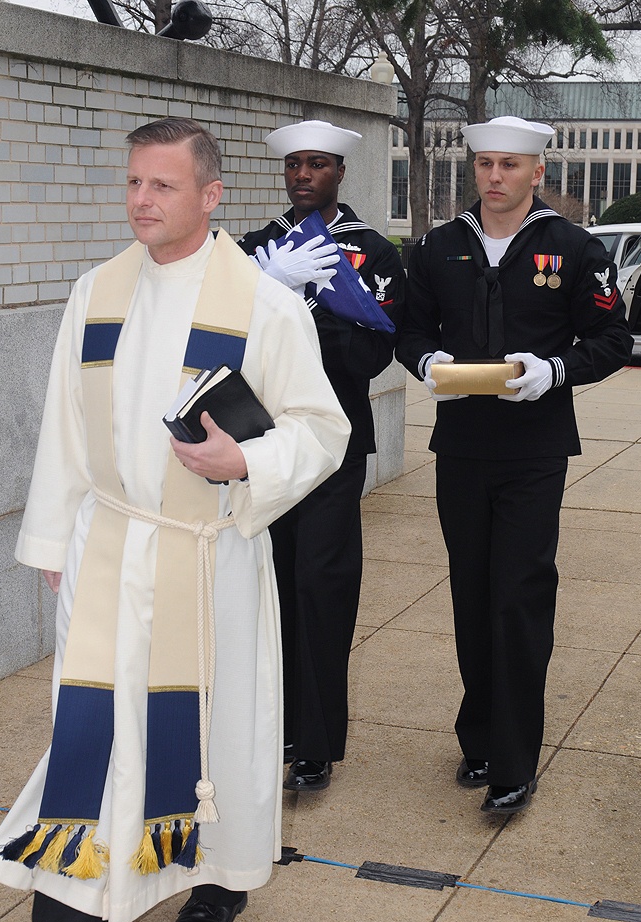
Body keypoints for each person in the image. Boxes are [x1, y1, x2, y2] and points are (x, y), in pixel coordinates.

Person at [0, 117, 350, 922]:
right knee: (93, 727)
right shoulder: (96, 291)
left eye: (163, 186)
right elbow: (66, 428)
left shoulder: (263, 303)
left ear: (211, 195)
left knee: (215, 727)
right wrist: (51, 539)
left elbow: (321, 430)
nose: (141, 201)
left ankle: (218, 879)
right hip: (107, 545)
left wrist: (246, 461)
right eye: (134, 183)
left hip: (206, 552)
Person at [396, 116, 632, 815]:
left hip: (535, 450)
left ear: (537, 172)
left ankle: (516, 762)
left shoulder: (574, 248)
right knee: (472, 595)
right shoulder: (439, 248)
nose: (494, 177)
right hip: (462, 448)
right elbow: (408, 329)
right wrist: (426, 360)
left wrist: (556, 369)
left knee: (519, 598)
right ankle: (481, 741)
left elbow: (613, 337)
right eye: (484, 164)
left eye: (509, 165)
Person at [238, 120, 405, 792]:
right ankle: (272, 723)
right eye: (293, 167)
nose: (302, 176)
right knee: (268, 588)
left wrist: (310, 311)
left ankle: (315, 742)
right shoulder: (255, 249)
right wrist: (271, 286)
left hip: (334, 443)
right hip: (262, 444)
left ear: (340, 172)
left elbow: (372, 354)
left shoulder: (373, 253)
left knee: (322, 588)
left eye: (316, 165)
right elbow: (227, 351)